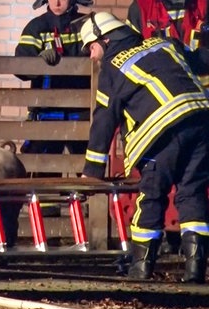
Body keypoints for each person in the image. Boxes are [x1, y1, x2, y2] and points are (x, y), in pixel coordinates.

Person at [78, 11, 209, 283]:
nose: (92, 57)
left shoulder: (113, 68)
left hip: (162, 133)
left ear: (106, 40)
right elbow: (201, 60)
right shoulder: (164, 43)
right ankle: (195, 271)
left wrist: (91, 172)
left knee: (151, 195)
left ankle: (140, 271)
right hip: (201, 120)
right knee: (192, 193)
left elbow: (104, 120)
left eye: (91, 48)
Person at [126, 0, 208, 254]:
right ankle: (189, 257)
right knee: (167, 186)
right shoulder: (141, 8)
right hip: (160, 115)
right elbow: (129, 55)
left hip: (200, 107)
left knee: (184, 185)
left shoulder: (204, 7)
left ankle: (143, 261)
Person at [14, 0, 93, 216]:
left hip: (82, 109)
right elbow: (20, 64)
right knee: (45, 162)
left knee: (87, 161)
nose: (57, 2)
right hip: (48, 111)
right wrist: (37, 61)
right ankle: (46, 215)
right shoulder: (36, 27)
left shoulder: (86, 24)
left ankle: (90, 212)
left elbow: (101, 52)